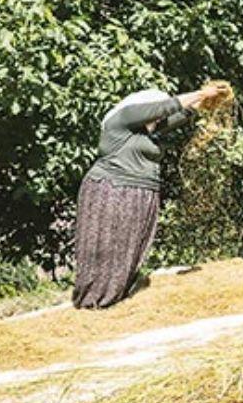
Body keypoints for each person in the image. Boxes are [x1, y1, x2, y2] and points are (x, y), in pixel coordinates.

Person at [72, 84, 230, 309]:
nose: (158, 120)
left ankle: (113, 297)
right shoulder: (123, 119)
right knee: (105, 247)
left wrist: (204, 103)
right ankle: (93, 300)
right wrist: (201, 93)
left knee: (128, 249)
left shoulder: (145, 131)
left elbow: (181, 114)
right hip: (113, 192)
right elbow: (168, 107)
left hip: (138, 196)